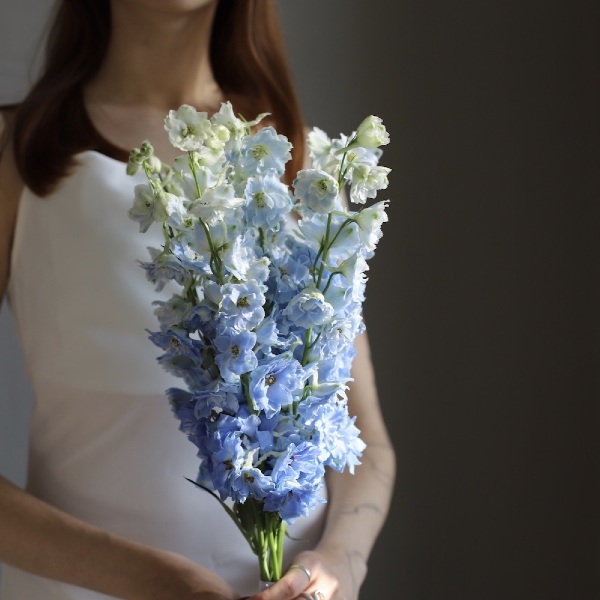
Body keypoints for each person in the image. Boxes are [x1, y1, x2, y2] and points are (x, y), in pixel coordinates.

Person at [0, 1, 396, 599]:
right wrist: (155, 580)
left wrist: (337, 562)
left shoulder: (297, 165)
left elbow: (366, 444)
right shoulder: (19, 153)